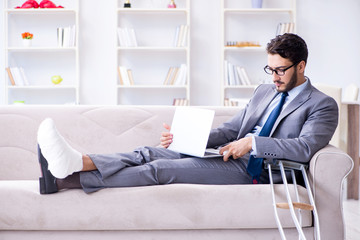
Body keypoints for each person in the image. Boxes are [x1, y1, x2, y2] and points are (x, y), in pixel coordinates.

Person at [38, 33, 338, 194]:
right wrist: (188, 138)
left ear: (301, 66)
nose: (274, 77)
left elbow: (305, 148)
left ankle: (65, 181)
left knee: (161, 170)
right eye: (270, 69)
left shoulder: (321, 104)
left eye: (281, 70)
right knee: (148, 152)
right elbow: (233, 129)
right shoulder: (264, 91)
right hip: (226, 153)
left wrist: (252, 144)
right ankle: (78, 162)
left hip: (258, 170)